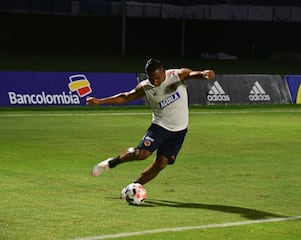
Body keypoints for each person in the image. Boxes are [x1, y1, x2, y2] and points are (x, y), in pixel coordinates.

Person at [86, 58, 215, 185]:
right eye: (151, 78)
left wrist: (204, 74)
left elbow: (191, 74)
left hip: (179, 131)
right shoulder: (146, 86)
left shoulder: (176, 75)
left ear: (163, 72)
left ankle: (134, 187)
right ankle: (111, 163)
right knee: (142, 154)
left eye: (158, 78)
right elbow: (126, 97)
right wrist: (100, 101)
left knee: (161, 164)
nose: (155, 81)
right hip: (160, 126)